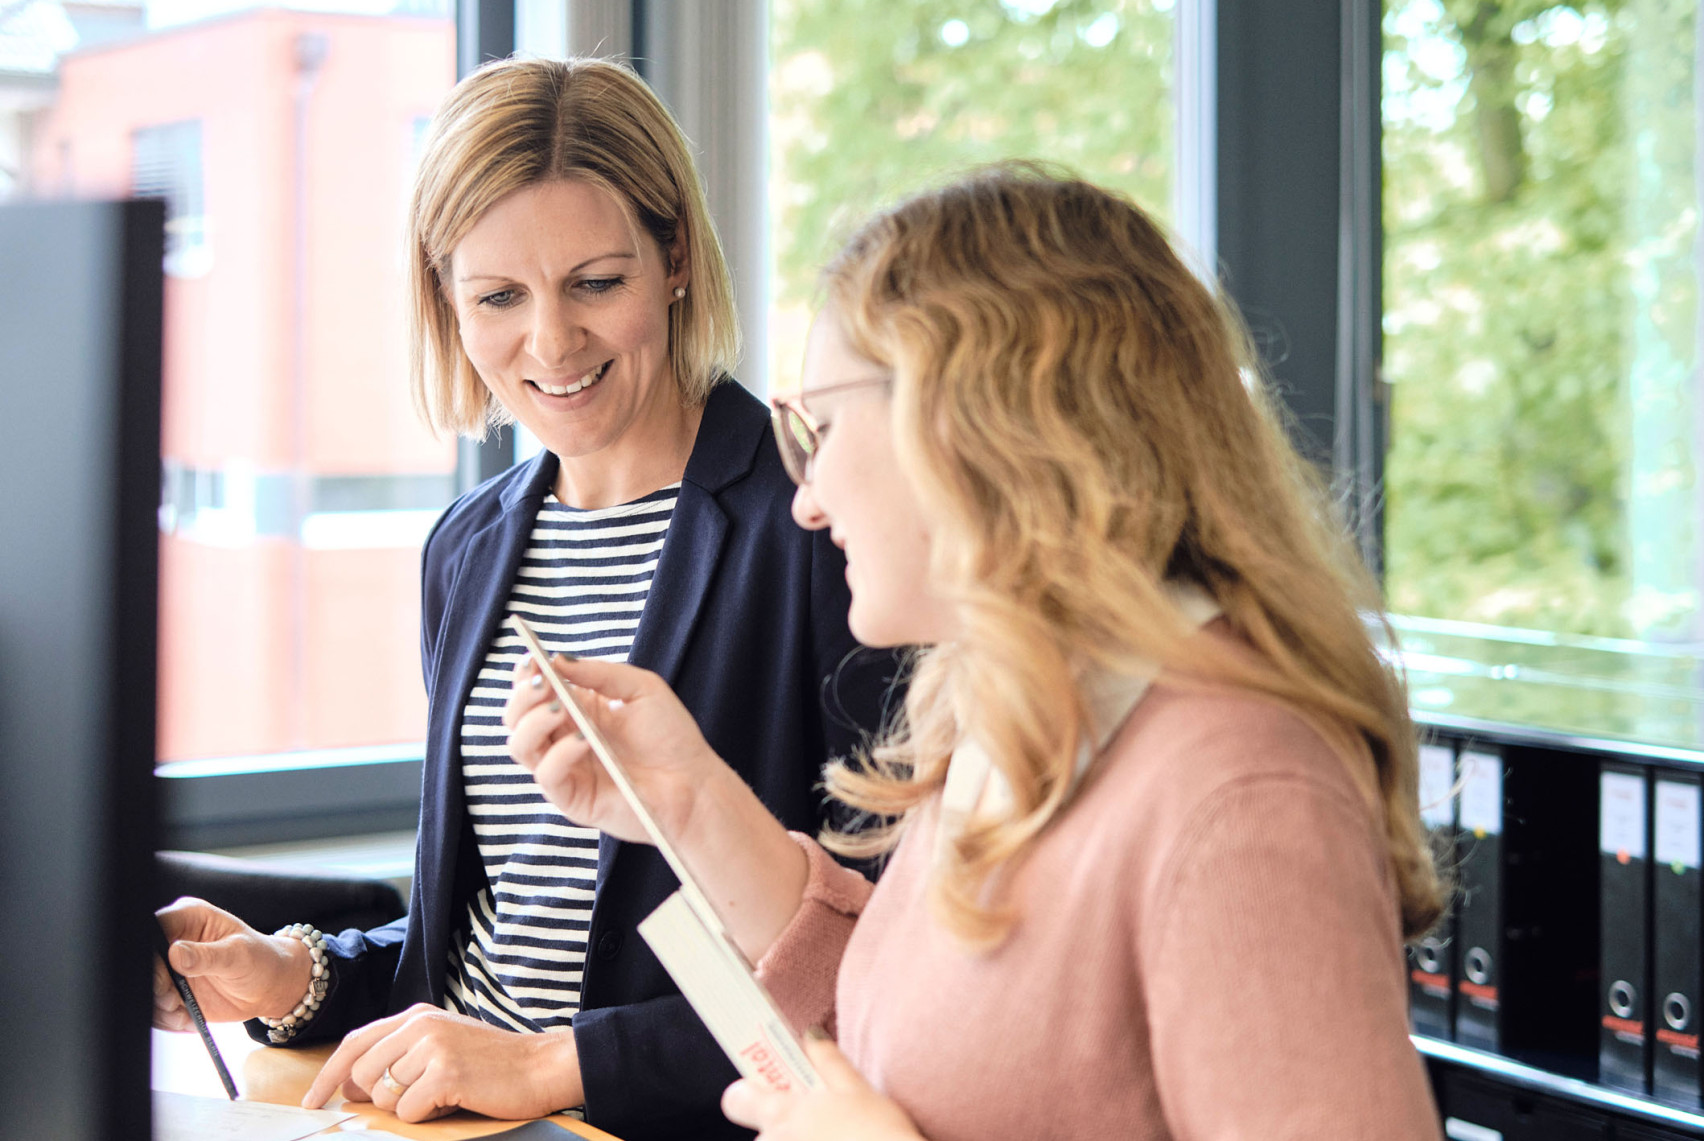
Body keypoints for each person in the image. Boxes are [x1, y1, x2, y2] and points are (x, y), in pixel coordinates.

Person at [504, 164, 1447, 1139]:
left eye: (821, 428)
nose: (806, 497)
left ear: (972, 417)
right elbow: (912, 1038)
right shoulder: (1010, 706)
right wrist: (686, 800)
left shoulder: (1239, 795)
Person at [152, 56, 895, 1141]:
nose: (550, 344)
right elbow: (490, 939)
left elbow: (883, 965)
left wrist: (557, 1063)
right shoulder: (468, 547)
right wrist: (286, 977)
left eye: (597, 283)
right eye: (498, 296)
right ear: (448, 302)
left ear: (676, 257)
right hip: (465, 1120)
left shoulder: (821, 519)